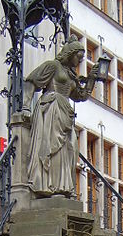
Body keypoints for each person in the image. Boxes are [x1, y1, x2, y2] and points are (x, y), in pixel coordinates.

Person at [23, 35, 100, 197]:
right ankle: (49, 186)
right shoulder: (53, 66)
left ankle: (62, 187)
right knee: (52, 148)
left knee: (69, 149)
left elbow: (81, 95)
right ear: (70, 54)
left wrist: (92, 79)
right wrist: (25, 107)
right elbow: (31, 81)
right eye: (78, 57)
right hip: (51, 108)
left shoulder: (71, 75)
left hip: (65, 112)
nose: (79, 61)